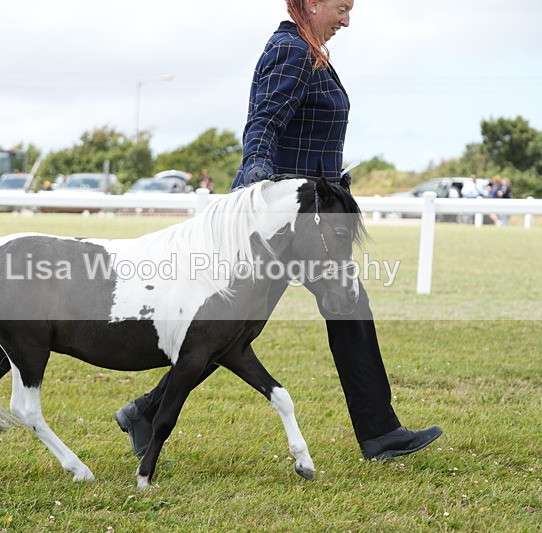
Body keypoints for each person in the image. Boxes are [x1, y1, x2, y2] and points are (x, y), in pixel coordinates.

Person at [115, 0, 442, 461]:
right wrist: (255, 188)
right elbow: (262, 124)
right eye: (341, 8)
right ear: (310, 3)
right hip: (281, 220)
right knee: (296, 316)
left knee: (239, 329)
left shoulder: (309, 50)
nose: (347, 20)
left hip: (301, 219)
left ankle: (146, 412)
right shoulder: (290, 50)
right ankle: (380, 433)